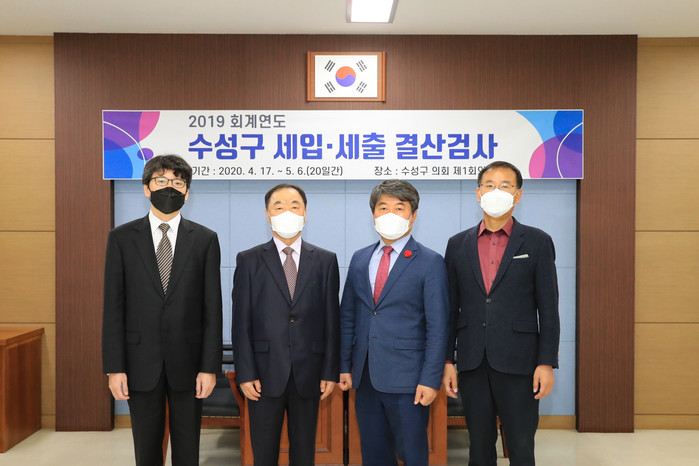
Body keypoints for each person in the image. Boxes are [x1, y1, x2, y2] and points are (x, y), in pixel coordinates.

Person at [102, 154, 223, 466]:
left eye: (178, 182)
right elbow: (113, 308)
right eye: (161, 180)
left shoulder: (205, 240)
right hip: (140, 363)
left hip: (189, 365)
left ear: (187, 192)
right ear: (146, 188)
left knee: (188, 450)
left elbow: (212, 309)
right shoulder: (121, 238)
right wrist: (115, 368)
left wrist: (209, 367)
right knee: (146, 449)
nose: (170, 187)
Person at [442, 161, 560, 466]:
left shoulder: (537, 241)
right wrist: (447, 361)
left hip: (520, 361)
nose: (497, 191)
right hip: (473, 361)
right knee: (479, 447)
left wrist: (546, 362)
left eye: (505, 185)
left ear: (517, 195)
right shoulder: (457, 244)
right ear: (478, 193)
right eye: (489, 185)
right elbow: (449, 308)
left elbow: (548, 308)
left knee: (521, 446)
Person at [338, 179, 449, 466]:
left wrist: (430, 379)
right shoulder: (360, 258)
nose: (390, 214)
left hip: (409, 380)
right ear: (373, 214)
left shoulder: (430, 262)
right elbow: (348, 316)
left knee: (412, 455)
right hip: (365, 377)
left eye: (399, 208)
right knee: (374, 455)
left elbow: (438, 327)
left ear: (413, 215)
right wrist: (344, 366)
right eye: (383, 207)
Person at [231, 183, 340, 466]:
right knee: (263, 453)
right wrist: (245, 373)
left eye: (294, 206)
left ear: (305, 213)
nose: (287, 212)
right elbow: (240, 322)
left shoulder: (326, 260)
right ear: (268, 215)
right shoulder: (249, 260)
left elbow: (332, 320)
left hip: (310, 373)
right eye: (278, 207)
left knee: (304, 453)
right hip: (263, 375)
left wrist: (330, 370)